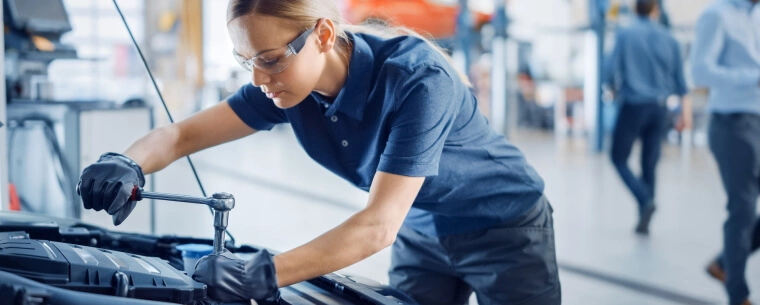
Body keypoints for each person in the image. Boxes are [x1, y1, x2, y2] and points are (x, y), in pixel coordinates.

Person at [77, 0, 561, 304]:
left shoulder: (417, 81)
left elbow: (376, 226)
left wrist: (260, 273)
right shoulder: (287, 88)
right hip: (421, 227)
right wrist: (127, 161)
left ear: (324, 35)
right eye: (246, 61)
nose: (257, 79)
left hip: (504, 225)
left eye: (268, 60)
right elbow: (182, 136)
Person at [690, 0, 760, 303]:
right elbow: (700, 71)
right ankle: (737, 293)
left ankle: (723, 263)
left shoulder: (756, 16)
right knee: (742, 210)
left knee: (743, 213)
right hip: (732, 123)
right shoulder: (716, 15)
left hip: (758, 117)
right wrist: (753, 78)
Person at [605, 0, 692, 235]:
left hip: (633, 105)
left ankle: (644, 200)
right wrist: (685, 114)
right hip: (660, 109)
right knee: (649, 164)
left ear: (635, 9)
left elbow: (610, 69)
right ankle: (646, 216)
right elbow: (681, 83)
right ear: (657, 10)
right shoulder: (672, 40)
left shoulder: (625, 34)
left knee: (618, 157)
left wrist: (612, 88)